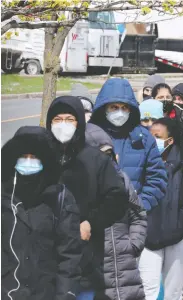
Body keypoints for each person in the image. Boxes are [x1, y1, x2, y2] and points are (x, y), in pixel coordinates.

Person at [46, 96, 129, 299]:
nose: (63, 125)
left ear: (79, 123)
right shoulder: (42, 157)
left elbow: (117, 198)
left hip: (86, 254)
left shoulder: (95, 159)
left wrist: (92, 221)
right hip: (45, 254)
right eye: (57, 119)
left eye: (69, 119)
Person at [2, 126, 81, 300]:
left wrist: (65, 296)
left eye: (34, 157)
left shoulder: (60, 198)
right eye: (23, 157)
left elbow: (69, 256)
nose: (28, 162)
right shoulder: (4, 194)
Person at [139, 118, 183, 300]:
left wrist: (179, 220)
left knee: (173, 291)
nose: (153, 141)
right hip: (147, 236)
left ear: (170, 140)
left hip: (177, 235)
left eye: (157, 136)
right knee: (147, 289)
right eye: (150, 136)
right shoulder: (141, 162)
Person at [85, 123, 147, 300]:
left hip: (126, 271)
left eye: (108, 154)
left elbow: (138, 216)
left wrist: (133, 244)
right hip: (95, 273)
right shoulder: (78, 185)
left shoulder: (121, 180)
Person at [90, 78, 167, 212]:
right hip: (96, 218)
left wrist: (140, 206)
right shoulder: (90, 136)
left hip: (133, 218)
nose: (120, 112)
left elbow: (156, 178)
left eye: (124, 108)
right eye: (114, 107)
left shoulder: (144, 138)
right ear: (104, 108)